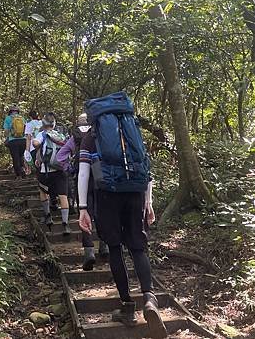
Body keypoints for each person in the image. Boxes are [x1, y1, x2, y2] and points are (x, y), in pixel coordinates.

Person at [77, 92, 167, 337]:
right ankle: (149, 298)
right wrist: (148, 202)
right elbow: (146, 169)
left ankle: (127, 307)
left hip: (107, 195)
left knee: (115, 248)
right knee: (138, 247)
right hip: (136, 193)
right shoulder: (132, 130)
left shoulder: (91, 136)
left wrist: (83, 208)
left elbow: (83, 174)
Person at [56, 113, 108, 271]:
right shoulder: (101, 133)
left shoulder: (75, 136)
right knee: (102, 212)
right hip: (101, 178)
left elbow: (60, 157)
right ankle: (104, 246)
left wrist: (69, 168)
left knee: (85, 212)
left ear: (78, 123)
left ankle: (89, 252)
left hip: (82, 178)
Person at [33, 113, 70, 235]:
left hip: (46, 171)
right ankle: (65, 224)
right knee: (63, 196)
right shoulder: (60, 134)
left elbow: (36, 144)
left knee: (43, 192)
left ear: (43, 124)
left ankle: (48, 215)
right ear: (54, 124)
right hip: (60, 170)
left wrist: (36, 143)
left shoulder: (42, 134)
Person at [3, 105, 27, 178]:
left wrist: (7, 137)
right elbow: (25, 129)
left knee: (15, 157)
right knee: (21, 156)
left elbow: (6, 130)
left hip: (13, 141)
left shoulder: (8, 118)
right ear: (17, 111)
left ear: (10, 111)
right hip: (23, 140)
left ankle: (18, 175)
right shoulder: (22, 118)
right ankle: (23, 170)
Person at [24, 110, 42, 174]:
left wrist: (27, 151)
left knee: (37, 165)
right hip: (43, 146)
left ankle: (40, 180)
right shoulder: (42, 122)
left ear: (30, 117)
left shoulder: (29, 124)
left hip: (33, 147)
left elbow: (28, 138)